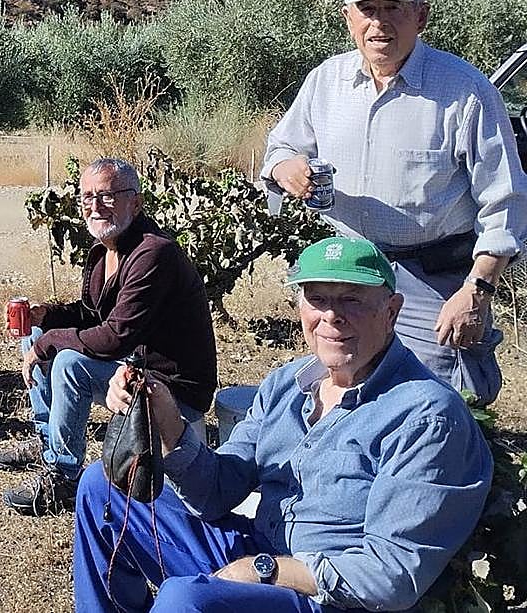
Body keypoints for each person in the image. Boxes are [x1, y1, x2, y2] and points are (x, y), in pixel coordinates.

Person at [73, 236, 492, 612]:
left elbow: (391, 575)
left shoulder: (426, 417)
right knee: (101, 487)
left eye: (352, 299)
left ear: (392, 311)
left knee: (185, 601)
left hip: (327, 597)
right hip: (261, 551)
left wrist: (264, 572)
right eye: (317, 299)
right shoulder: (286, 385)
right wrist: (170, 426)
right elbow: (217, 491)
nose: (332, 316)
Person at [262, 0, 527, 404]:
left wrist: (476, 290)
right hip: (348, 271)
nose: (379, 23)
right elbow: (280, 148)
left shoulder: (464, 91)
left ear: (421, 16)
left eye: (394, 9)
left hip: (434, 279)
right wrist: (286, 168)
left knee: (440, 398)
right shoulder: (326, 82)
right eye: (368, 9)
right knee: (347, 385)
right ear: (348, 17)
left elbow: (505, 198)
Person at [0, 158, 217, 516]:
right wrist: (47, 319)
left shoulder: (153, 253)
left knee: (69, 363)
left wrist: (48, 344)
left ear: (136, 202)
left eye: (107, 196)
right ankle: (47, 439)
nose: (95, 206)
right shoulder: (105, 251)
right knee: (36, 333)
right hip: (134, 366)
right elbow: (92, 315)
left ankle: (64, 476)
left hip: (172, 390)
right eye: (87, 197)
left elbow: (115, 337)